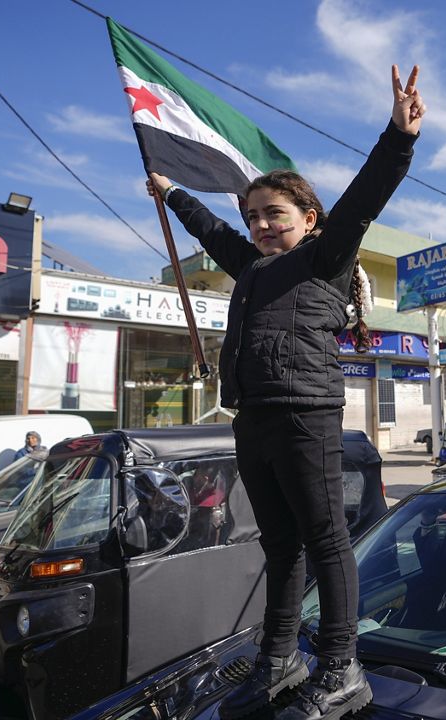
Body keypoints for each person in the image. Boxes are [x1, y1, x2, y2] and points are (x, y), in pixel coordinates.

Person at [148, 65, 425, 720]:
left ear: (308, 219)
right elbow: (211, 232)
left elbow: (365, 197)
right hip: (254, 420)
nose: (260, 227)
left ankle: (340, 668)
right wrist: (172, 193)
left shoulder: (325, 257)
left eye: (273, 215)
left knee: (326, 539)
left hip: (306, 414)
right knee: (280, 545)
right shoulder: (252, 267)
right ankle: (279, 662)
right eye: (254, 218)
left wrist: (399, 136)